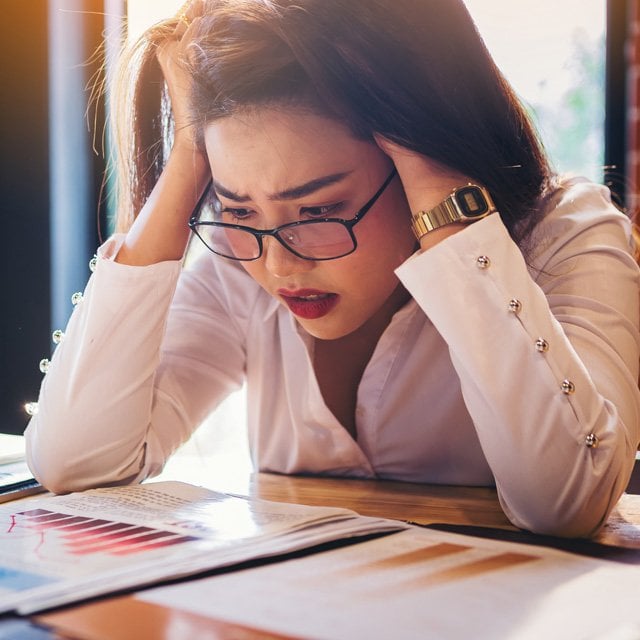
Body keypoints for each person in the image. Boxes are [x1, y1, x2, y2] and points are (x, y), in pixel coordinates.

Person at [25, 0, 640, 538]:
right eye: (237, 206)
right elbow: (75, 463)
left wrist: (437, 173)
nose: (278, 261)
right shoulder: (239, 261)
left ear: (419, 155)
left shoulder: (566, 236)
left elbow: (567, 501)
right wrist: (189, 152)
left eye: (319, 208)